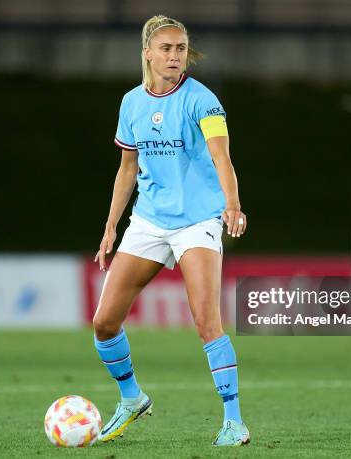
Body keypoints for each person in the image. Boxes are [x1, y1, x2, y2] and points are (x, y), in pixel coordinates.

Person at [92, 14, 249, 447]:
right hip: (148, 221)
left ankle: (233, 422)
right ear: (147, 53)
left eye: (180, 48)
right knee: (104, 323)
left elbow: (222, 158)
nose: (175, 56)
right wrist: (110, 227)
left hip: (197, 221)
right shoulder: (131, 103)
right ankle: (132, 397)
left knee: (206, 322)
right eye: (166, 48)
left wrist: (232, 205)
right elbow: (127, 169)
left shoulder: (203, 100)